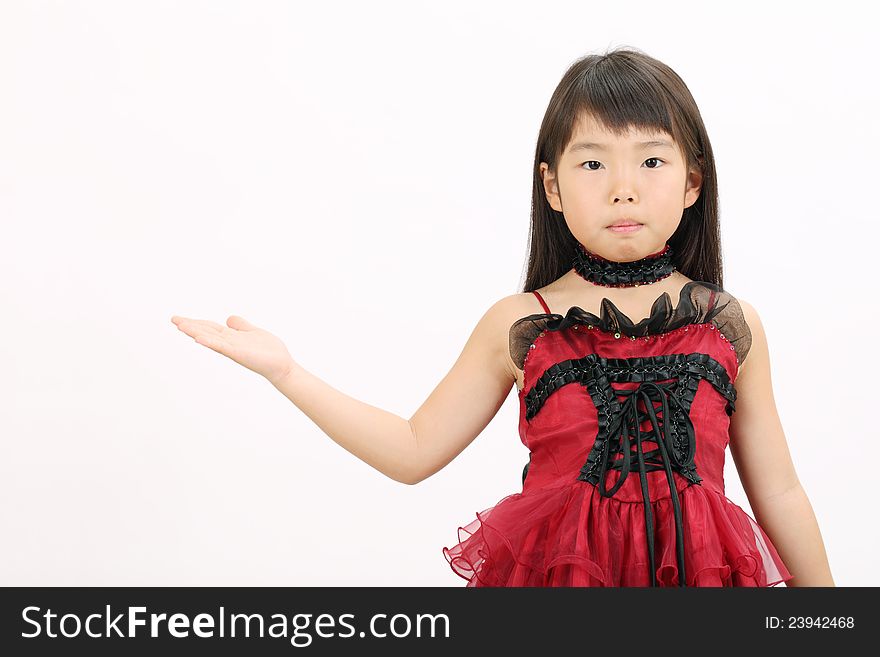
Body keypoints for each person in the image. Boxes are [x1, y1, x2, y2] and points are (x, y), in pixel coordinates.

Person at [170, 46, 834, 587]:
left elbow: (778, 493)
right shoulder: (521, 323)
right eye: (594, 161)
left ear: (693, 181)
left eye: (652, 160)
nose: (623, 186)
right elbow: (412, 448)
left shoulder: (728, 322)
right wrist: (288, 372)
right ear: (552, 186)